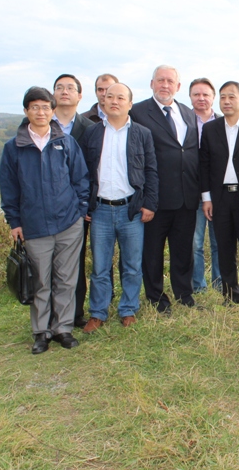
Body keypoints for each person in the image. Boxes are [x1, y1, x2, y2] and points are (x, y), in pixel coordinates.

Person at [0, 86, 89, 354]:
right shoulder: (14, 147)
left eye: (45, 107)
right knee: (40, 281)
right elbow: (9, 188)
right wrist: (14, 222)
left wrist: (80, 209)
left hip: (68, 223)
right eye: (35, 107)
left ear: (52, 111)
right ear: (26, 111)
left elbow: (81, 179)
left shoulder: (66, 142)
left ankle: (63, 328)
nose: (40, 112)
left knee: (66, 279)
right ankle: (41, 332)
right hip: (34, 225)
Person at [78, 83, 158, 333]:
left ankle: (128, 309)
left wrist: (149, 204)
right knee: (100, 267)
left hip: (131, 209)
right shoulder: (92, 133)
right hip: (100, 210)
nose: (114, 101)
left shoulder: (142, 133)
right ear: (103, 101)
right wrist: (84, 204)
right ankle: (98, 312)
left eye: (120, 97)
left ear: (130, 104)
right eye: (109, 96)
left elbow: (151, 171)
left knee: (132, 265)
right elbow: (83, 172)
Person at [130, 65, 201, 313]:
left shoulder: (188, 113)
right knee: (153, 252)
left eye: (170, 81)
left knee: (183, 250)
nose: (165, 85)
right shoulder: (138, 112)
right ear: (152, 83)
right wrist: (144, 197)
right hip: (155, 198)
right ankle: (157, 298)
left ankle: (184, 294)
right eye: (160, 80)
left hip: (186, 196)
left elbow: (189, 151)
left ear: (178, 86)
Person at [200, 81, 239, 304]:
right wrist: (206, 198)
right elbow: (204, 164)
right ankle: (231, 294)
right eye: (223, 97)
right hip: (220, 197)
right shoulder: (210, 129)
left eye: (232, 97)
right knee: (224, 247)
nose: (226, 101)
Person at [51, 74, 95, 328]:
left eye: (70, 88)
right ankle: (50, 314)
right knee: (48, 262)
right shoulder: (40, 124)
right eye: (59, 88)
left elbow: (95, 168)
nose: (64, 91)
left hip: (79, 206)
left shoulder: (89, 128)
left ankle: (75, 313)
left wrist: (87, 203)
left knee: (76, 259)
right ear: (53, 94)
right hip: (47, 206)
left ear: (80, 96)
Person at [190, 78, 221, 292]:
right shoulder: (183, 121)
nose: (201, 98)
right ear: (190, 97)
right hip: (192, 191)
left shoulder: (222, 122)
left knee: (219, 242)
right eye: (196, 94)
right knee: (195, 243)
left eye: (206, 94)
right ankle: (198, 285)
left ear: (213, 97)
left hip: (218, 192)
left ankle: (220, 283)